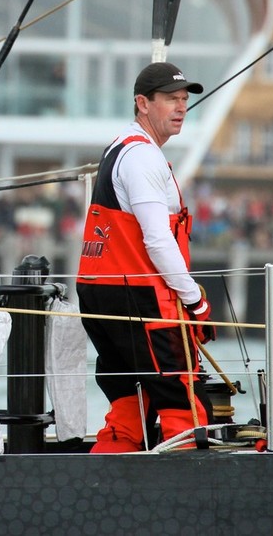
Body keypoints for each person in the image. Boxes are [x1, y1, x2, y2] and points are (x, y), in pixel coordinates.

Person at [76, 61, 214, 453]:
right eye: (171, 99)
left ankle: (106, 479)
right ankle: (187, 494)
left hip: (101, 290)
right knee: (183, 401)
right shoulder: (142, 157)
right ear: (142, 103)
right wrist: (195, 300)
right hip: (138, 293)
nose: (181, 107)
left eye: (185, 100)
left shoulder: (119, 148)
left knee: (130, 398)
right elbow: (157, 240)